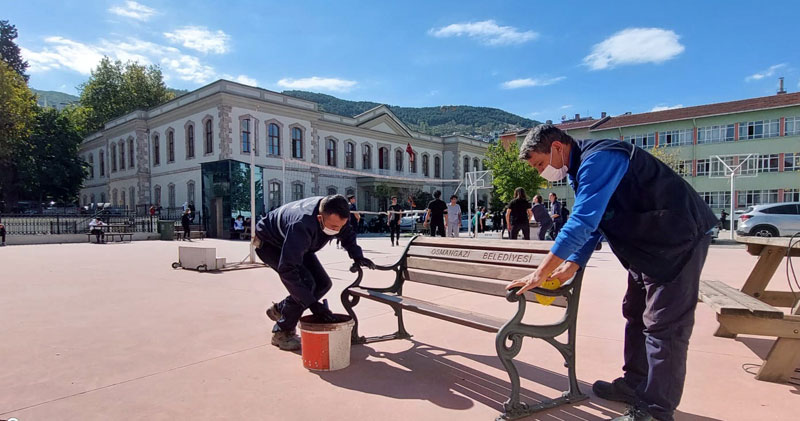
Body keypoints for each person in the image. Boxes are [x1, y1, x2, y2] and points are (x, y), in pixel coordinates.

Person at [507, 124, 717, 421]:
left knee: (664, 327)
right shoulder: (580, 170)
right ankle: (634, 384)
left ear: (556, 147)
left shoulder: (600, 158)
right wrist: (571, 265)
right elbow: (597, 222)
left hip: (678, 238)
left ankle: (656, 411)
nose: (541, 172)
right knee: (635, 311)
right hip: (649, 244)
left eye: (540, 164)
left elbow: (582, 221)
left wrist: (540, 272)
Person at [254, 195, 375, 350]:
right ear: (319, 218)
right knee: (307, 284)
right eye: (332, 226)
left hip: (300, 243)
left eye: (340, 226)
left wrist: (357, 256)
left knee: (323, 283)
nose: (336, 230)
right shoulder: (301, 224)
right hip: (270, 244)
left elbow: (347, 234)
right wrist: (312, 305)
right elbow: (288, 269)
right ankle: (282, 332)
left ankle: (281, 309)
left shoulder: (338, 212)